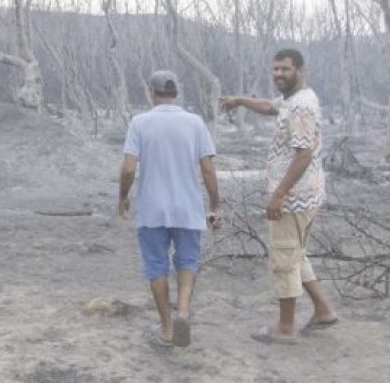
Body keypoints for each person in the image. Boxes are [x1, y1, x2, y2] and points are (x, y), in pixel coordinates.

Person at [220, 48, 337, 344]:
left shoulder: (300, 107)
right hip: (306, 194)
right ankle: (323, 310)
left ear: (300, 69)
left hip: (294, 197)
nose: (278, 75)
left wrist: (279, 194)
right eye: (275, 70)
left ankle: (285, 328)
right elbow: (269, 107)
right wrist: (241, 101)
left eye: (284, 69)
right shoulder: (294, 100)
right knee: (296, 254)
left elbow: (304, 153)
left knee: (284, 258)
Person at [119, 70, 222, 348]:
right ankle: (184, 312)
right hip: (188, 208)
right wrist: (215, 205)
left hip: (152, 210)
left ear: (151, 93)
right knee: (188, 262)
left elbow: (129, 168)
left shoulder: (140, 123)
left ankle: (166, 328)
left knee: (156, 266)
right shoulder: (195, 123)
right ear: (177, 93)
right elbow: (209, 170)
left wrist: (123, 197)